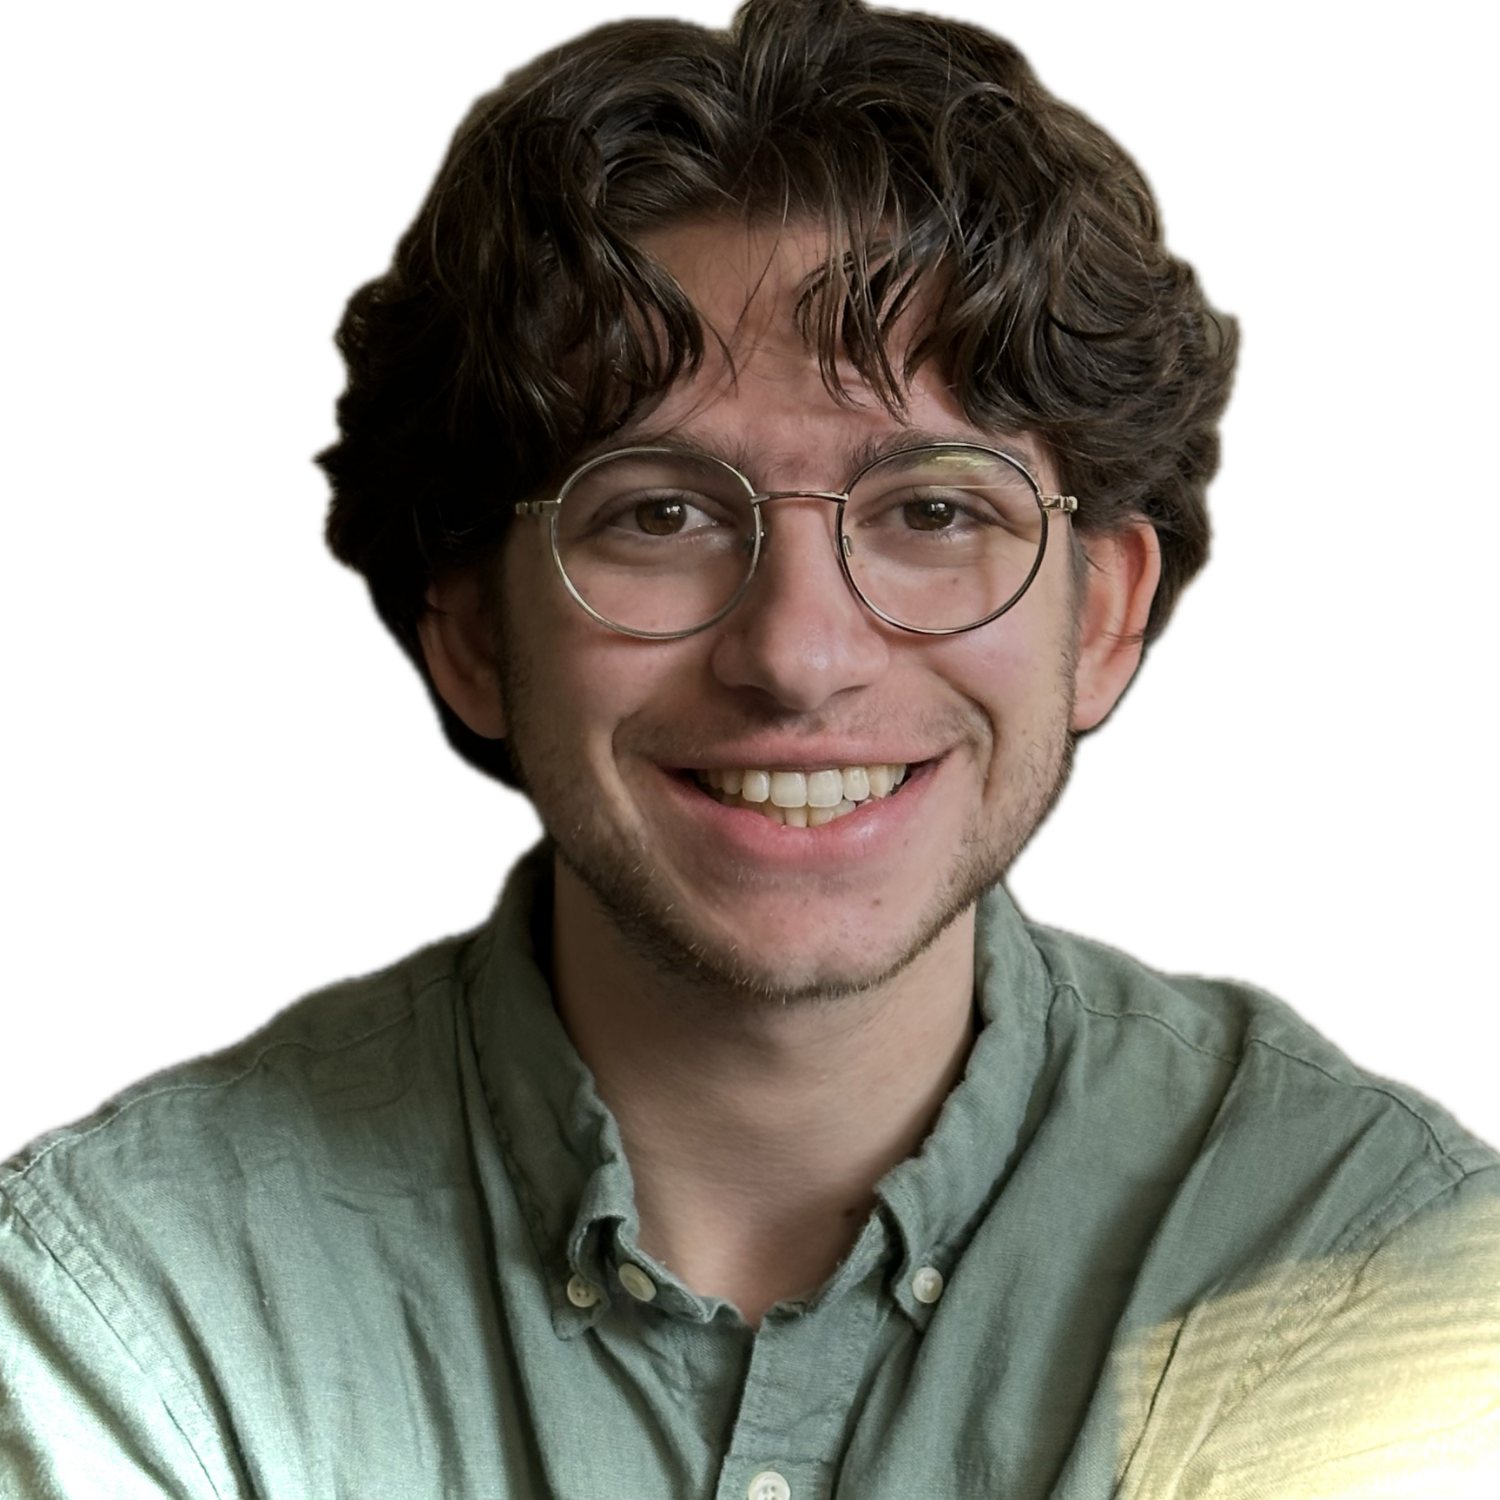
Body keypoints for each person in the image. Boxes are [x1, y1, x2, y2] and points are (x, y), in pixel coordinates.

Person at [3, 1, 1496, 1496]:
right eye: (658, 514)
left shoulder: (1374, 1262)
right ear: (471, 632)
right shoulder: (134, 1315)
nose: (798, 654)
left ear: (1102, 614)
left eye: (934, 511)